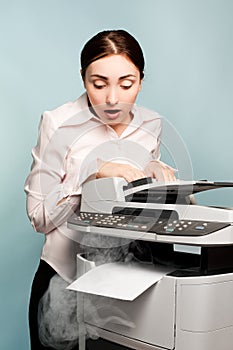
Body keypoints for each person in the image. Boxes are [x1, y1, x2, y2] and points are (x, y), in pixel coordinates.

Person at [24, 29, 176, 350]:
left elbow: (138, 212)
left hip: (127, 283)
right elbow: (39, 218)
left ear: (141, 80)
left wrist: (155, 185)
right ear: (83, 78)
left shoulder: (151, 125)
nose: (112, 98)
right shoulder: (58, 123)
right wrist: (90, 181)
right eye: (99, 84)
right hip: (62, 280)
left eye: (126, 84)